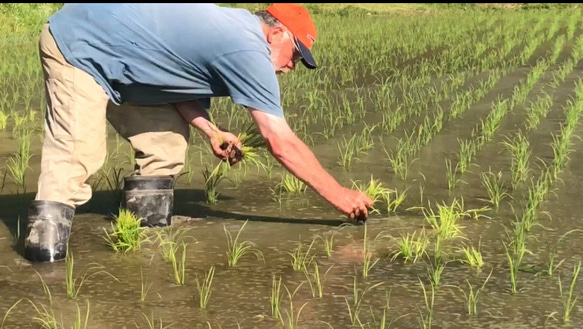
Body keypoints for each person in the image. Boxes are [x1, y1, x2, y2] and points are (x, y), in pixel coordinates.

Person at [24, 3, 373, 263]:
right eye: (295, 55)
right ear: (277, 32)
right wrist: (341, 197)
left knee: (167, 146)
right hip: (80, 44)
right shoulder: (247, 48)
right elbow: (281, 142)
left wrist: (211, 130)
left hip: (125, 59)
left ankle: (145, 234)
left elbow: (175, 83)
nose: (291, 67)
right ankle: (43, 261)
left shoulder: (237, 34)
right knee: (78, 151)